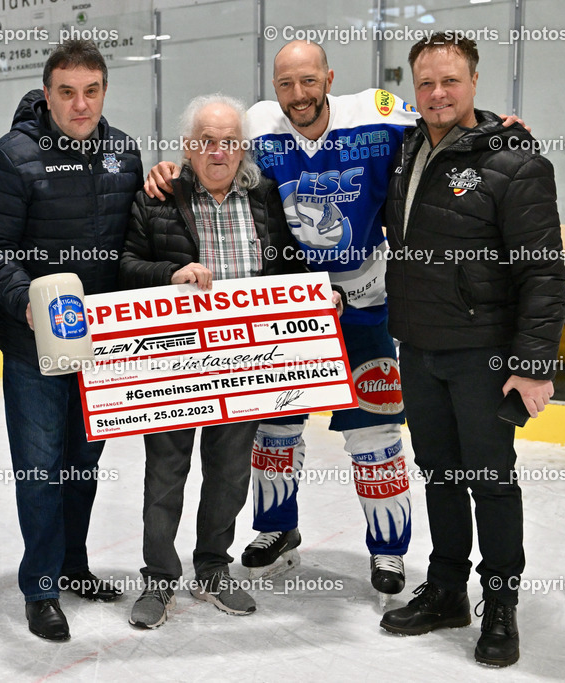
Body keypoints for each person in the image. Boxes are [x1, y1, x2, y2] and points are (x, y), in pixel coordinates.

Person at [147, 41, 419, 597]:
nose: (298, 94)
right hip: (284, 310)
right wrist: (168, 169)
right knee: (272, 429)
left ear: (328, 77)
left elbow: (443, 131)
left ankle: (388, 551)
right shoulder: (255, 124)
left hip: (361, 303)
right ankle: (277, 530)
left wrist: (490, 125)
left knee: (376, 431)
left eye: (308, 81)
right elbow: (208, 158)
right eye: (286, 83)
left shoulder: (377, 112)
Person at [379, 33, 565, 668]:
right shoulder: (405, 149)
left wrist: (534, 364)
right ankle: (446, 590)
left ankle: (501, 605)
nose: (436, 93)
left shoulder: (515, 159)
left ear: (475, 83)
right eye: (426, 82)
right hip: (420, 346)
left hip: (482, 354)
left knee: (489, 481)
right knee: (440, 476)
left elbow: (542, 272)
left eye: (450, 81)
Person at [0, 39, 143, 641]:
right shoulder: (11, 159)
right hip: (35, 345)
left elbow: (135, 242)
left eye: (91, 91)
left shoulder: (124, 153)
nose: (80, 104)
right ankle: (40, 587)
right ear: (47, 95)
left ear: (104, 91)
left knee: (83, 463)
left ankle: (74, 565)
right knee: (41, 467)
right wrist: (33, 306)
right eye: (67, 92)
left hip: (105, 345)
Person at [119, 94, 307, 628]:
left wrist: (316, 298)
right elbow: (125, 267)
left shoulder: (266, 197)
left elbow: (287, 264)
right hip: (173, 362)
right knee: (166, 476)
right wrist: (170, 275)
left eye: (229, 142)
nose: (218, 152)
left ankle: (212, 569)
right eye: (206, 141)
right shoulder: (156, 198)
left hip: (244, 361)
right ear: (188, 147)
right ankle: (158, 579)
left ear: (242, 148)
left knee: (228, 475)